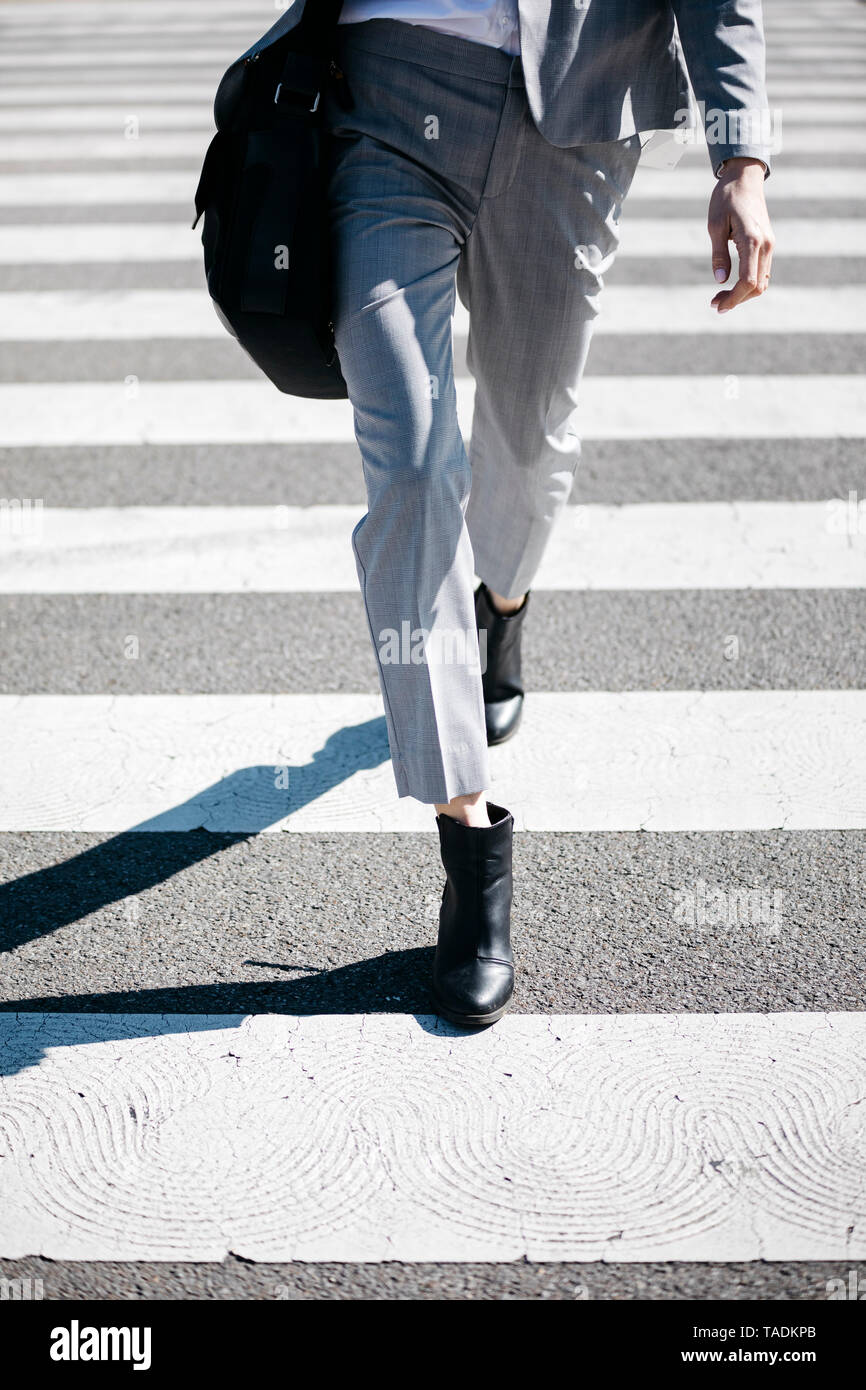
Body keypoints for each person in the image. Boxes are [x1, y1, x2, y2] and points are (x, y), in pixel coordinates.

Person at [237, 0, 775, 1028]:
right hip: (384, 94)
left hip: (575, 110)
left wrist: (738, 161)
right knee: (410, 466)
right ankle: (468, 841)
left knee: (527, 442)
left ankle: (501, 607)